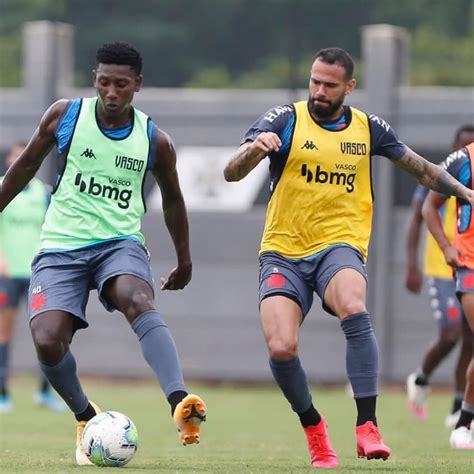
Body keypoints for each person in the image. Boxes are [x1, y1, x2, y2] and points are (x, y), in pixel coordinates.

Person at [223, 47, 474, 468]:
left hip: (340, 245)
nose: (319, 91)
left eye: (330, 85)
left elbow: (423, 170)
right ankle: (314, 429)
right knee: (282, 348)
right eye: (315, 82)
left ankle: (367, 426)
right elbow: (231, 172)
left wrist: (465, 192)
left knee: (354, 306)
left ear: (349, 87)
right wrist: (255, 150)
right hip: (283, 252)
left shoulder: (367, 128)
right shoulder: (284, 120)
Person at [0, 42, 207, 465]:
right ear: (95, 79)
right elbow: (23, 168)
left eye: (122, 85)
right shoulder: (65, 116)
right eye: (104, 83)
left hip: (119, 244)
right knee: (47, 339)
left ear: (138, 86)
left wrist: (184, 259)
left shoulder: (154, 140)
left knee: (137, 298)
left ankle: (179, 401)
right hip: (60, 247)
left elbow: (172, 200)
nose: (111, 93)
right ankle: (85, 416)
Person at [405, 126, 474, 425]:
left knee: (470, 339)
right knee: (450, 334)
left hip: (466, 259)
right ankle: (421, 379)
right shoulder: (449, 171)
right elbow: (419, 217)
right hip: (442, 265)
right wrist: (412, 265)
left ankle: (460, 406)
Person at [0, 142, 65, 413]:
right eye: (14, 156)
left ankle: (44, 393)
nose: (19, 160)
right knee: (4, 334)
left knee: (47, 333)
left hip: (38, 272)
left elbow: (55, 227)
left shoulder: (43, 194)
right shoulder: (3, 187)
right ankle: (3, 393)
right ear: (8, 161)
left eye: (23, 156)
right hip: (7, 274)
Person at [422, 141, 474, 449]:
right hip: (469, 264)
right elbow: (429, 206)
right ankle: (463, 424)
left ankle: (465, 419)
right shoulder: (464, 159)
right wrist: (445, 247)